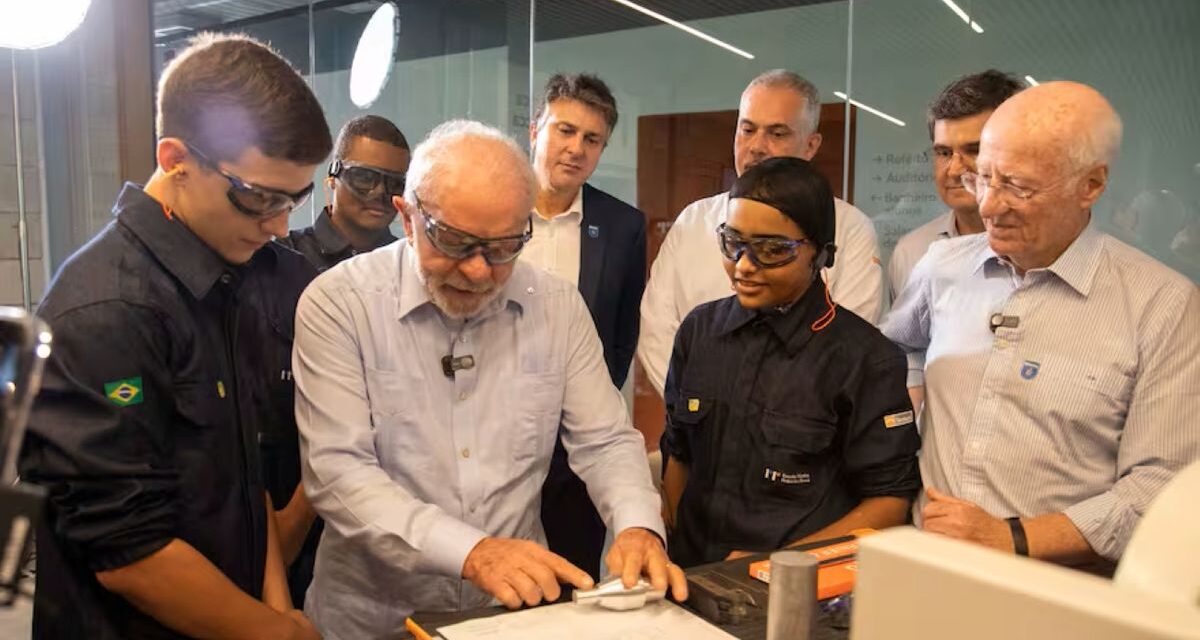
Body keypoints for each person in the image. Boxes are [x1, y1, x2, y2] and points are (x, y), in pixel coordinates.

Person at [293, 119, 686, 638]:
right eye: (455, 243)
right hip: (376, 616)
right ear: (407, 219)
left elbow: (606, 441)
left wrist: (637, 524)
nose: (479, 271)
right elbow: (339, 474)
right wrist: (472, 552)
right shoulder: (340, 304)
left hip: (511, 620)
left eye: (503, 248)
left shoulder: (557, 307)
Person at [19, 33, 330, 639]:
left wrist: (276, 611)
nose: (277, 225)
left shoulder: (225, 278)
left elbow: (246, 480)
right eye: (257, 198)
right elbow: (132, 557)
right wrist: (278, 635)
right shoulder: (108, 310)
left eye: (295, 198)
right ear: (174, 158)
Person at [881, 82, 1200, 567]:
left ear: (1091, 185)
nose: (988, 206)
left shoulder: (1163, 306)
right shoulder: (942, 266)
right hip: (926, 563)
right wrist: (912, 399)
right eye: (983, 179)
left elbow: (1161, 485)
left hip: (1056, 584)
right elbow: (892, 350)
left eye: (1018, 186)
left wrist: (1012, 538)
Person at [660, 157, 920, 568]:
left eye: (772, 251)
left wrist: (779, 565)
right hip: (692, 575)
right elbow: (679, 453)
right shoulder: (700, 331)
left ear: (821, 254)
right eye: (732, 243)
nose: (744, 265)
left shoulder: (864, 358)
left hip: (796, 589)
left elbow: (889, 505)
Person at [639, 69, 884, 399]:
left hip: (800, 433)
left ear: (811, 145)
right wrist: (699, 412)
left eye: (777, 133)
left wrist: (763, 422)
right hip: (697, 426)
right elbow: (657, 330)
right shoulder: (692, 221)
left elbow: (847, 344)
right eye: (748, 129)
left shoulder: (850, 228)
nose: (756, 147)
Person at [525, 72, 647, 581]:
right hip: (490, 432)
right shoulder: (492, 209)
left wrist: (582, 407)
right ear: (536, 130)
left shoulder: (623, 226)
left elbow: (620, 337)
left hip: (576, 446)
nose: (576, 148)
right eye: (564, 131)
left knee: (573, 576)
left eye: (591, 139)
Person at [887, 70, 1023, 301]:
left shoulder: (1046, 247)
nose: (954, 169)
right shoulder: (913, 251)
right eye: (944, 152)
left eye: (974, 150)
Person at [278, 114, 410, 272]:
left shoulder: (410, 261)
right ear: (333, 177)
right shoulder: (284, 257)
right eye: (364, 177)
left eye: (395, 183)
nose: (380, 192)